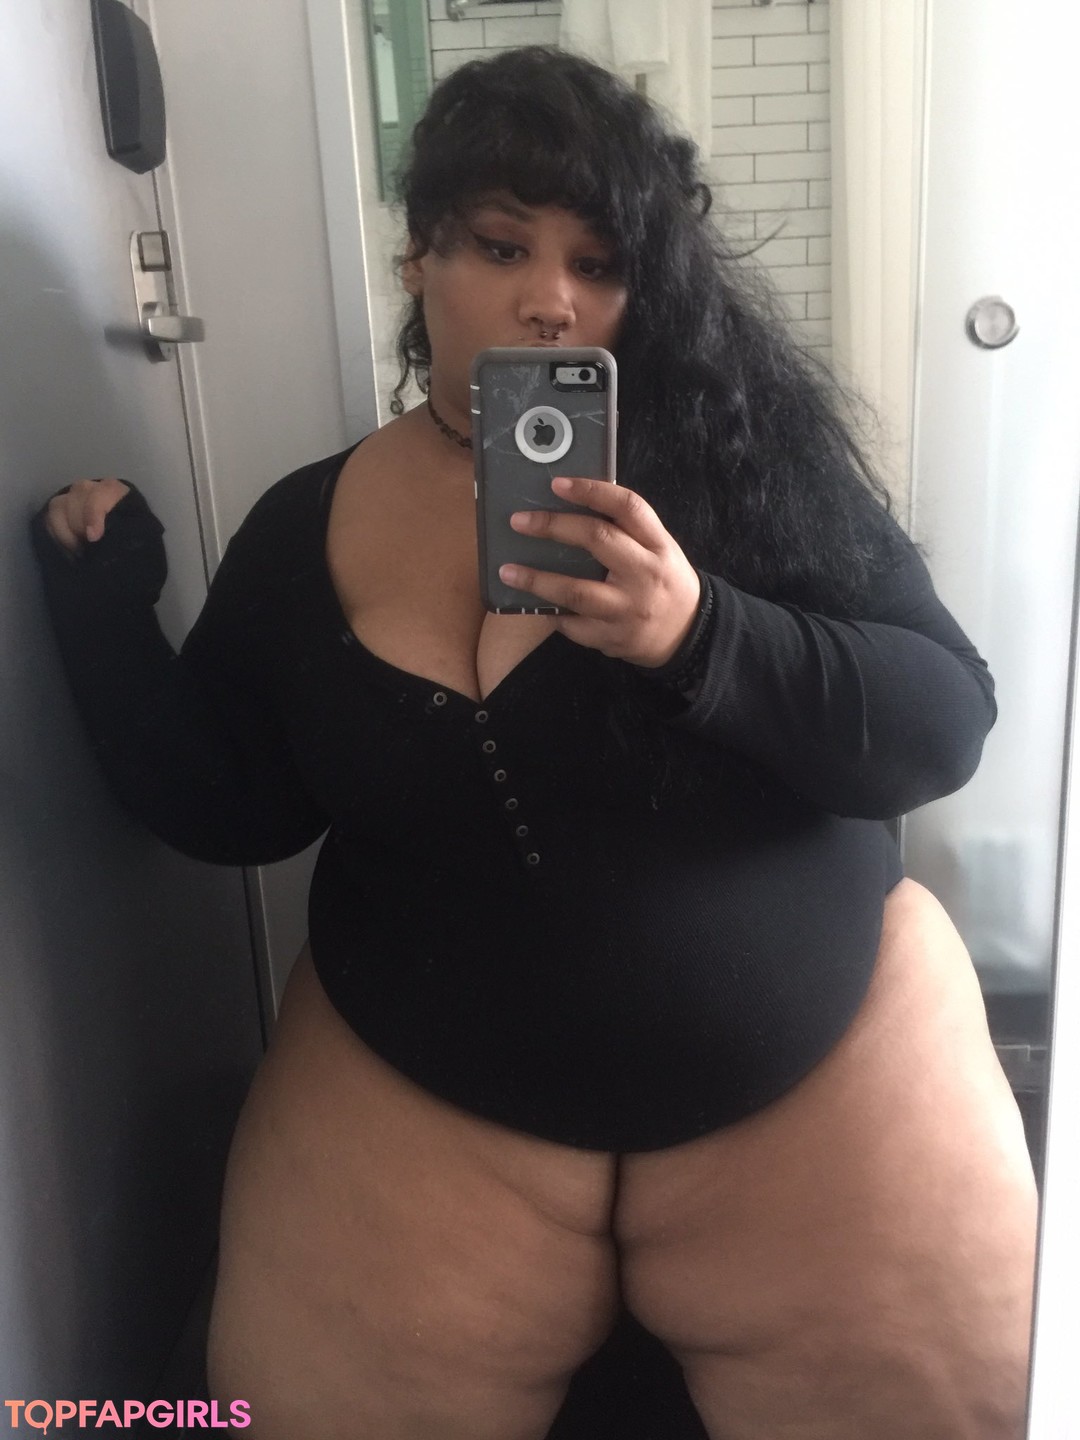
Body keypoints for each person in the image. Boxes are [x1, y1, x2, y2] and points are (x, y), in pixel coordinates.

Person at [31, 44, 1037, 1440]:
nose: (552, 297)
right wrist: (104, 607)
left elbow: (942, 719)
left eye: (598, 263)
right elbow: (231, 804)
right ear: (419, 258)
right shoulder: (306, 520)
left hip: (808, 1075)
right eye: (503, 245)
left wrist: (700, 634)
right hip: (432, 1102)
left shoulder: (743, 463)